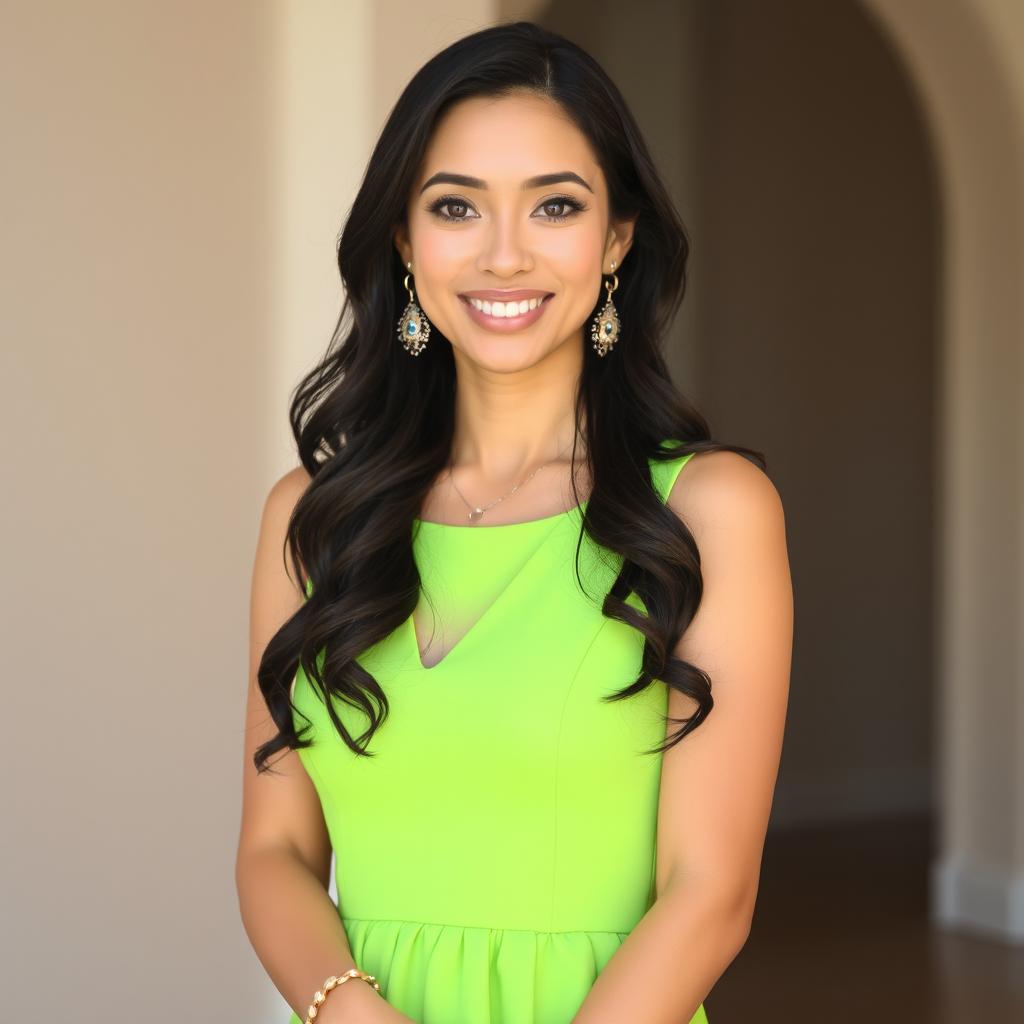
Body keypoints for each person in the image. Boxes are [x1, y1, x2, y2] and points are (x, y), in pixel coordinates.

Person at [235, 20, 792, 1024]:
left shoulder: (710, 512)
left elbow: (712, 895)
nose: (504, 254)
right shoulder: (314, 519)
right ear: (404, 238)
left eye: (555, 206)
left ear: (616, 236)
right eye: (456, 206)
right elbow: (273, 850)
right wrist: (350, 1011)